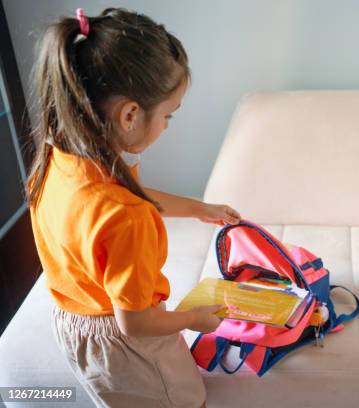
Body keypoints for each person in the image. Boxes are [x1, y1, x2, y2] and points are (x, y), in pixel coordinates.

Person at [25, 7, 239, 407]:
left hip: (76, 324)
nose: (167, 125)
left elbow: (130, 202)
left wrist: (199, 207)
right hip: (130, 345)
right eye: (168, 115)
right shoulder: (127, 217)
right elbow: (136, 322)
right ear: (129, 114)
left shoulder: (62, 159)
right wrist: (196, 319)